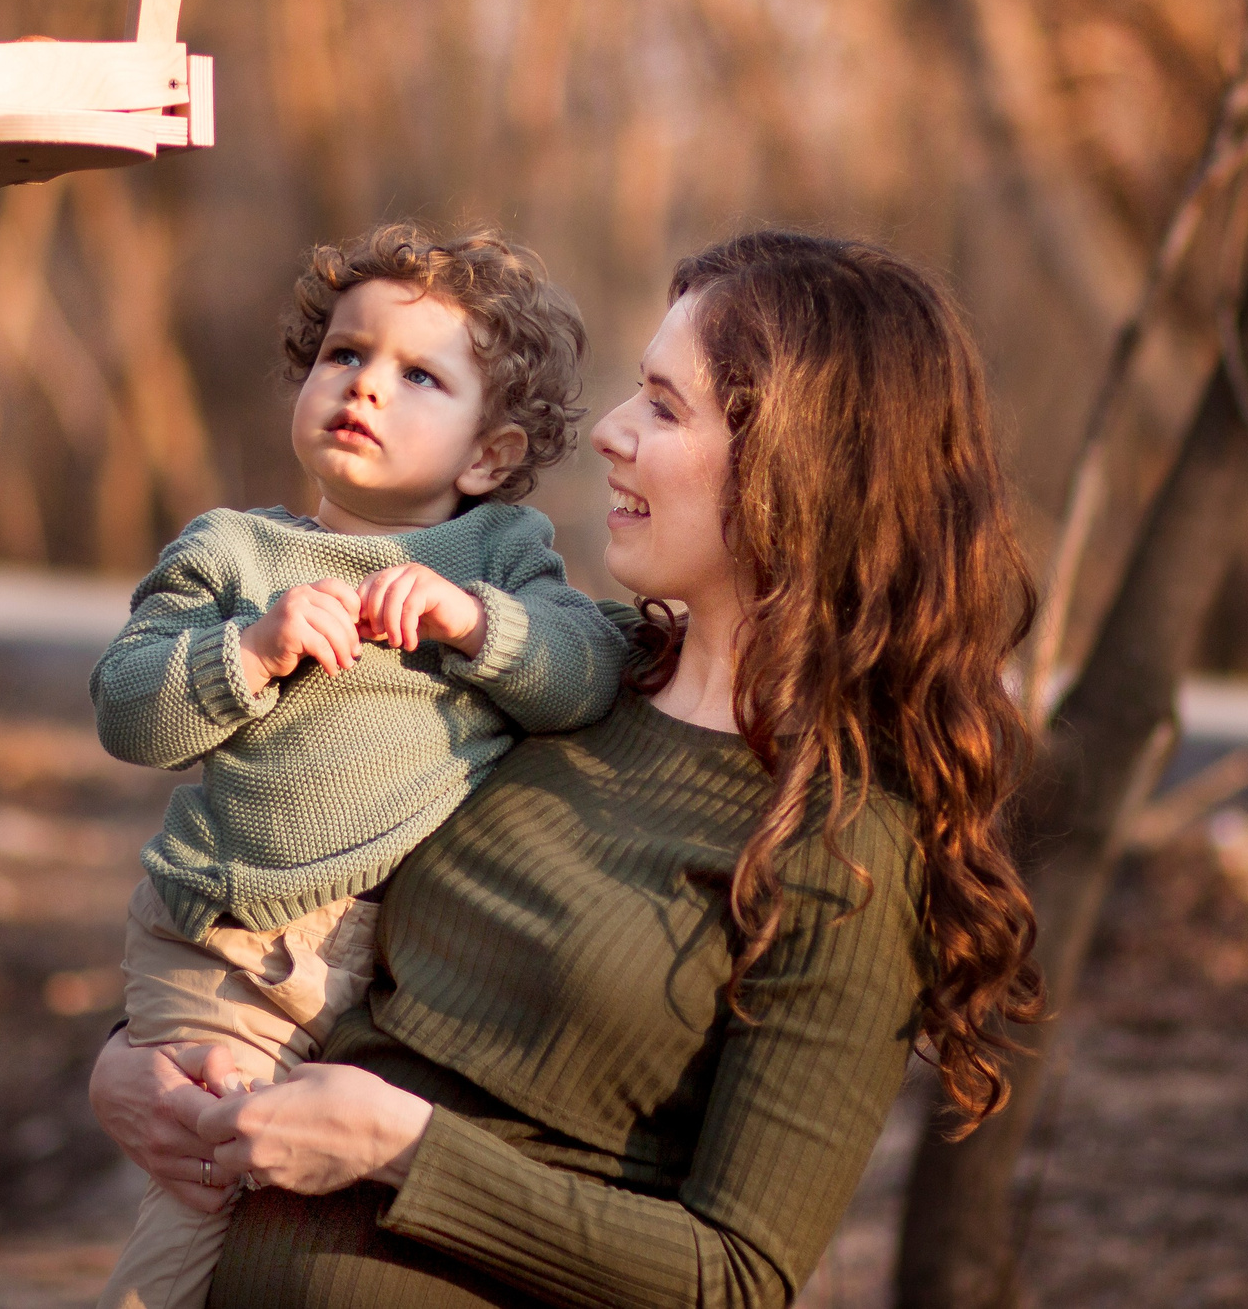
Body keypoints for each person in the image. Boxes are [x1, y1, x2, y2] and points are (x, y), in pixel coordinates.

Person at [90, 230, 1046, 1309]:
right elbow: (304, 846)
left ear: (801, 468)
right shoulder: (553, 672)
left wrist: (406, 1149)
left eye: (662, 406)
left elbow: (736, 1278)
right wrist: (133, 1059)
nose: (609, 435)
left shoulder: (842, 841)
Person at [89, 222, 629, 1309]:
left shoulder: (500, 559)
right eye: (344, 354)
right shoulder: (233, 552)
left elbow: (588, 668)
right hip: (231, 947)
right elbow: (128, 709)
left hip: (389, 962)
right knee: (208, 1181)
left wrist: (477, 624)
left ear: (489, 454)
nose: (365, 387)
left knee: (327, 1202)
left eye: (418, 374)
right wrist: (249, 648)